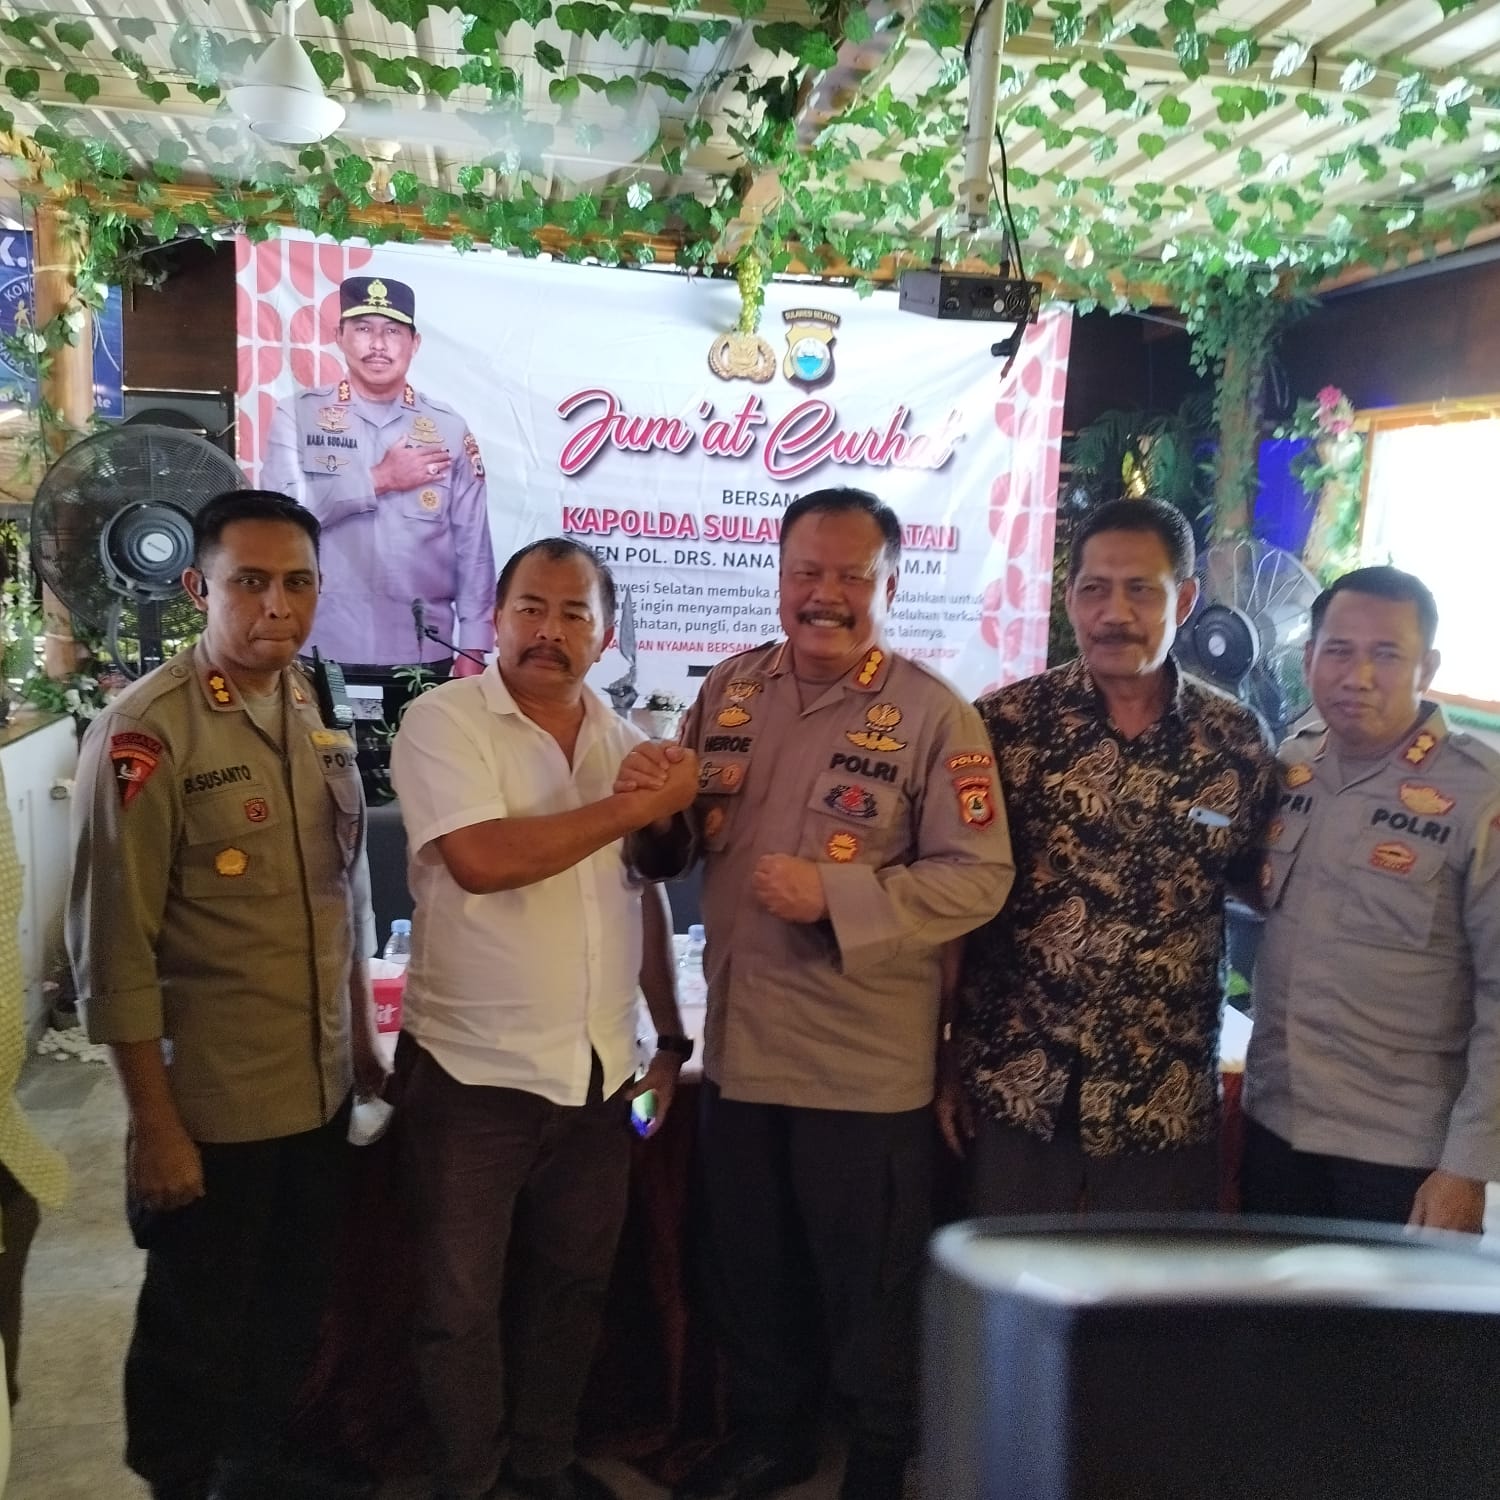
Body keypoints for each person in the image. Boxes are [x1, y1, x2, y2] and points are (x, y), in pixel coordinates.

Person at [620, 486, 1015, 1500]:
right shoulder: (731, 689)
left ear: (892, 585)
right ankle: (770, 1437)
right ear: (780, 575)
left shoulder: (936, 714)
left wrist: (835, 895)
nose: (825, 595)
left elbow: (979, 879)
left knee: (869, 1279)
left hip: (861, 1063)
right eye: (806, 572)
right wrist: (651, 815)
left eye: (851, 576)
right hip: (743, 1047)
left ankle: (879, 1454)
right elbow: (677, 846)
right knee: (750, 1267)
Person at [66, 489, 384, 1500]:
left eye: (297, 583)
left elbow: (337, 897)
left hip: (316, 1087)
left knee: (288, 1310)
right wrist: (154, 1128)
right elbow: (112, 951)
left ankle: (257, 1468)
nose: (276, 605)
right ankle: (180, 1481)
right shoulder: (147, 733)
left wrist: (362, 1048)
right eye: (250, 582)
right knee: (193, 1331)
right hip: (211, 1105)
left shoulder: (306, 701)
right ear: (199, 589)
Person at [389, 538, 700, 1500]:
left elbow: (642, 898)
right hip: (470, 1077)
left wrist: (668, 1040)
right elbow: (484, 860)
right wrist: (634, 808)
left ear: (604, 636)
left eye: (574, 614)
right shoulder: (443, 722)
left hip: (601, 1079)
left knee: (573, 1291)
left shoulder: (621, 739)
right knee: (457, 1305)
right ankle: (470, 1478)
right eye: (530, 608)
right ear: (496, 619)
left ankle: (543, 1463)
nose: (549, 631)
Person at [941, 497, 1278, 1216]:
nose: (1114, 613)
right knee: (1001, 1284)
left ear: (1184, 600)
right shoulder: (1004, 727)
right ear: (1070, 599)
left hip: (1160, 1097)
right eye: (1095, 589)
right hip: (1015, 1088)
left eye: (1140, 590)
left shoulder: (1237, 741)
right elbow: (958, 902)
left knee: (1150, 1286)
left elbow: (1260, 884)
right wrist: (941, 1057)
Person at [1241, 565, 1500, 1233]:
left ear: (1426, 667)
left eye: (1386, 654)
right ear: (1308, 658)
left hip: (1401, 1153)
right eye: (1339, 650)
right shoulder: (1289, 768)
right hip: (1275, 1124)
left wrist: (1467, 1167)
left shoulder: (1480, 795)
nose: (1357, 676)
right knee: (1271, 1302)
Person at [260, 275, 495, 674]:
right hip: (318, 642)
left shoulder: (448, 428)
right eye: (364, 329)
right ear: (340, 336)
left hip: (422, 646)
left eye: (392, 331)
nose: (378, 344)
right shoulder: (298, 415)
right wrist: (378, 479)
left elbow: (472, 546)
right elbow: (278, 520)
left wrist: (474, 645)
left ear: (414, 343)